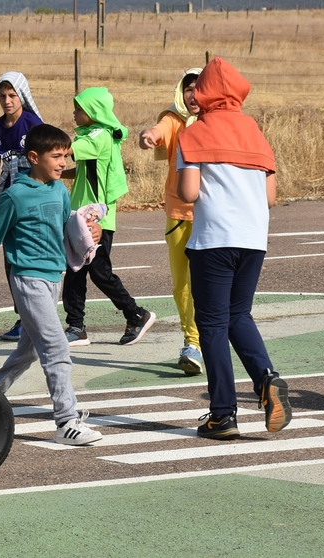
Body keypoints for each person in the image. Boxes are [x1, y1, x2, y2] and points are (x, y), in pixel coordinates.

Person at [0, 123, 102, 446]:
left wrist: (90, 234)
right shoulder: (15, 196)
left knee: (29, 351)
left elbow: (67, 229)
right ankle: (66, 421)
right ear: (34, 157)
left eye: (66, 155)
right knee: (56, 347)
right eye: (56, 156)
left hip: (54, 278)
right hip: (27, 279)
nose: (63, 162)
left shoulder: (59, 192)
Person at [176, 57, 292, 440]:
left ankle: (223, 414)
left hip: (213, 239)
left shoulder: (193, 133)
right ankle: (266, 379)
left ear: (204, 93)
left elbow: (189, 192)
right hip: (254, 238)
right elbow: (271, 197)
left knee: (210, 324)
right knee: (238, 315)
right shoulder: (256, 133)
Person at [61, 87, 156, 347]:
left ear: (92, 112)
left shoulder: (98, 136)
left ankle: (136, 313)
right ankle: (76, 326)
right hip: (80, 215)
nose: (74, 112)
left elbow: (66, 149)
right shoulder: (92, 136)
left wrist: (43, 145)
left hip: (96, 217)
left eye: (79, 108)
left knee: (100, 272)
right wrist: (57, 173)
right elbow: (81, 170)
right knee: (74, 270)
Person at [138, 68, 205, 375]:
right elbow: (159, 129)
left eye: (199, 88)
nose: (193, 95)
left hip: (211, 214)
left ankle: (196, 343)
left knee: (205, 283)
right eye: (188, 89)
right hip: (178, 214)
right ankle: (193, 341)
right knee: (182, 284)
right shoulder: (175, 120)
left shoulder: (217, 122)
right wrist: (149, 136)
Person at [0, 72, 44, 342]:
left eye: (12, 95)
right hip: (7, 200)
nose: (6, 100)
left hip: (31, 199)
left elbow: (45, 164)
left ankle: (37, 316)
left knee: (31, 257)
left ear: (22, 96)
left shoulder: (33, 125)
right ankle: (23, 317)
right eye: (2, 95)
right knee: (10, 260)